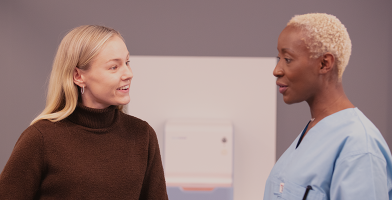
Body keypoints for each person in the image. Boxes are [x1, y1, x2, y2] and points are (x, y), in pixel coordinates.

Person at [0, 25, 168, 199]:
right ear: (78, 76)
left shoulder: (142, 134)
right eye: (113, 67)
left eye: (127, 62)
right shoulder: (40, 138)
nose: (128, 73)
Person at [264, 13, 392, 200]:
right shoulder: (312, 132)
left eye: (288, 59)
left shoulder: (358, 146)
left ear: (325, 63)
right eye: (279, 58)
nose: (277, 70)